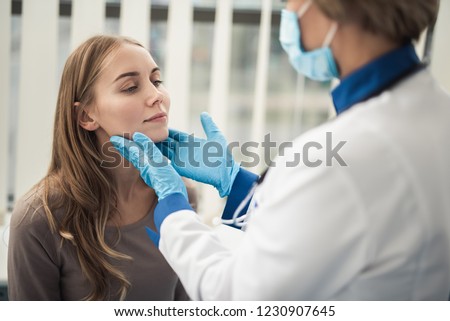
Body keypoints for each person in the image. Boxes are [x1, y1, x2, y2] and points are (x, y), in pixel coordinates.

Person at [113, 0, 450, 300]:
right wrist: (237, 186)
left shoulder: (340, 160)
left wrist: (173, 210)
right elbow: (314, 240)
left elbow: (238, 297)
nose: (288, 11)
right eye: (129, 86)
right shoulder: (435, 113)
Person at [7, 35, 196, 300]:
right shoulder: (39, 219)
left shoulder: (177, 197)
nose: (157, 96)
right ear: (86, 115)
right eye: (130, 87)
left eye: (156, 81)